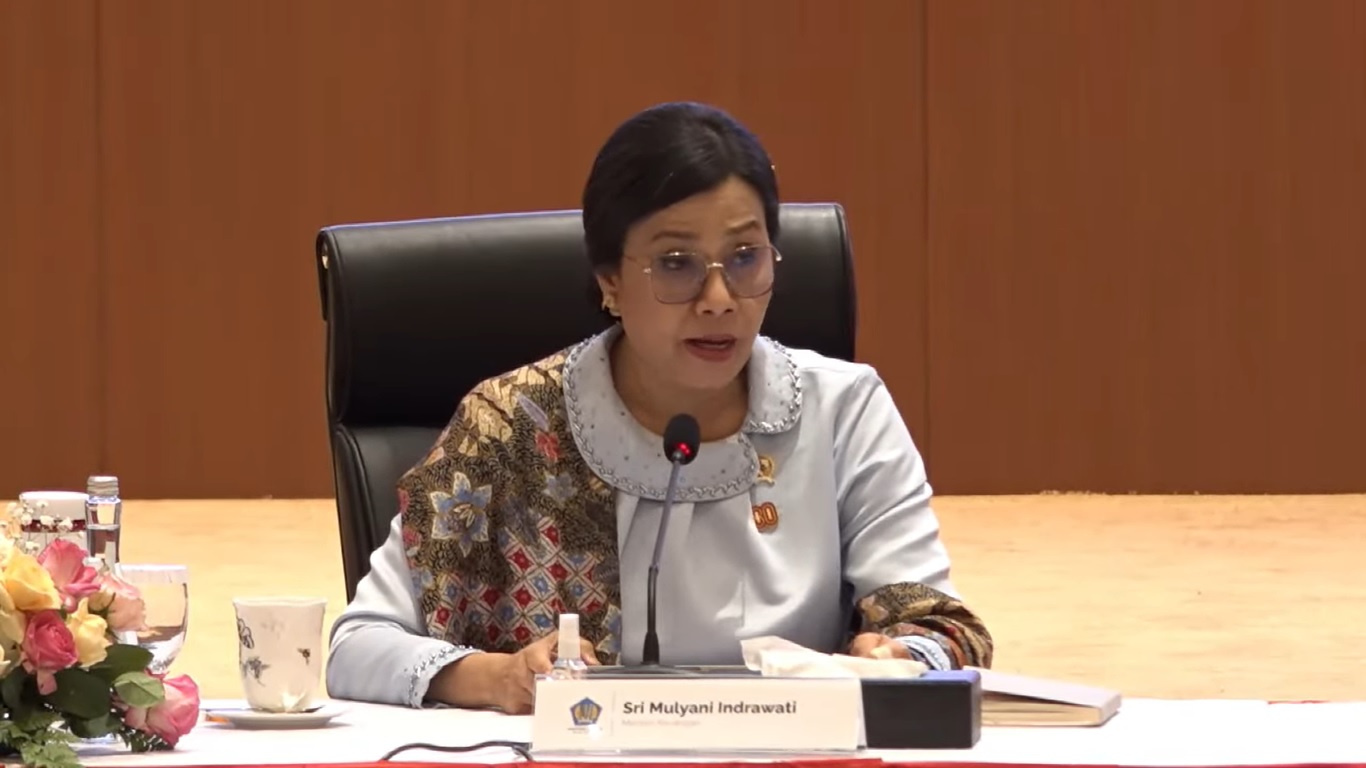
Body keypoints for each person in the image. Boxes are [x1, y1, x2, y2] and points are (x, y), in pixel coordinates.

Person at [325, 101, 993, 715]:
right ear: (610, 281)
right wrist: (499, 678)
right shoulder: (511, 427)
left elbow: (941, 627)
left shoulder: (843, 409)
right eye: (677, 263)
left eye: (745, 258)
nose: (719, 299)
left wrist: (902, 656)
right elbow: (358, 647)